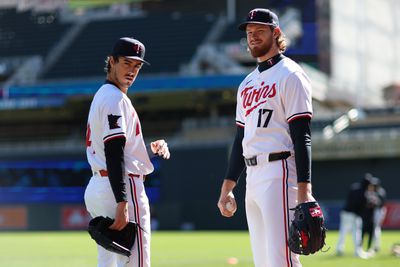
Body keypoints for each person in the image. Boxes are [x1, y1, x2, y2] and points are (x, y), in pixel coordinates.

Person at [217, 8, 318, 267]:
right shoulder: (246, 84)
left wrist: (305, 193)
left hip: (280, 172)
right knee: (263, 261)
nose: (253, 36)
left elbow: (301, 135)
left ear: (276, 33)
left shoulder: (291, 75)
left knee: (281, 258)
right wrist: (228, 187)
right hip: (253, 176)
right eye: (249, 32)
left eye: (259, 31)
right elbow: (241, 139)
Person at [84, 37, 170, 267]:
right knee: (137, 261)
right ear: (111, 61)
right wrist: (123, 202)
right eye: (126, 63)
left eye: (137, 66)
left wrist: (147, 151)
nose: (132, 70)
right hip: (120, 187)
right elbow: (114, 152)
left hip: (98, 186)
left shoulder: (102, 95)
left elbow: (116, 149)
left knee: (108, 262)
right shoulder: (114, 98)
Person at [336, 174, 372, 258]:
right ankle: (357, 251)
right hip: (354, 214)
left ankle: (339, 249)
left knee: (343, 231)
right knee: (356, 233)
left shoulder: (354, 187)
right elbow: (361, 207)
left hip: (345, 212)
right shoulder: (365, 193)